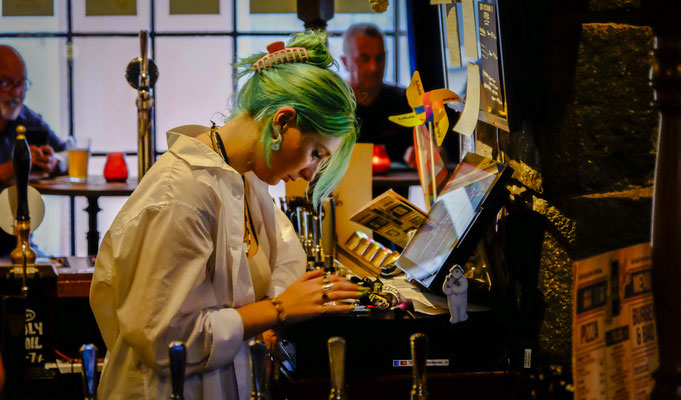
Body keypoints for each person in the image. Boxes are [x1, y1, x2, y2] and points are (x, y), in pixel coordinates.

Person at [90, 31, 365, 399]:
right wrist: (278, 309)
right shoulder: (183, 195)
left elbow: (285, 252)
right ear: (282, 122)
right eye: (316, 153)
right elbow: (165, 339)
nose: (309, 174)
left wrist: (281, 306)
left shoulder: (243, 177)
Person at [0, 45, 66, 257]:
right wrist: (7, 172)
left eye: (21, 84)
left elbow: (66, 153)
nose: (17, 93)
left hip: (17, 239)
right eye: (7, 83)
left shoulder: (25, 117)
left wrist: (54, 161)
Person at [341, 23, 413, 164]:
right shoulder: (330, 103)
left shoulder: (404, 101)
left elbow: (433, 150)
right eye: (364, 59)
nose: (374, 67)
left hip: (396, 185)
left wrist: (428, 154)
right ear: (345, 62)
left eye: (379, 58)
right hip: (344, 186)